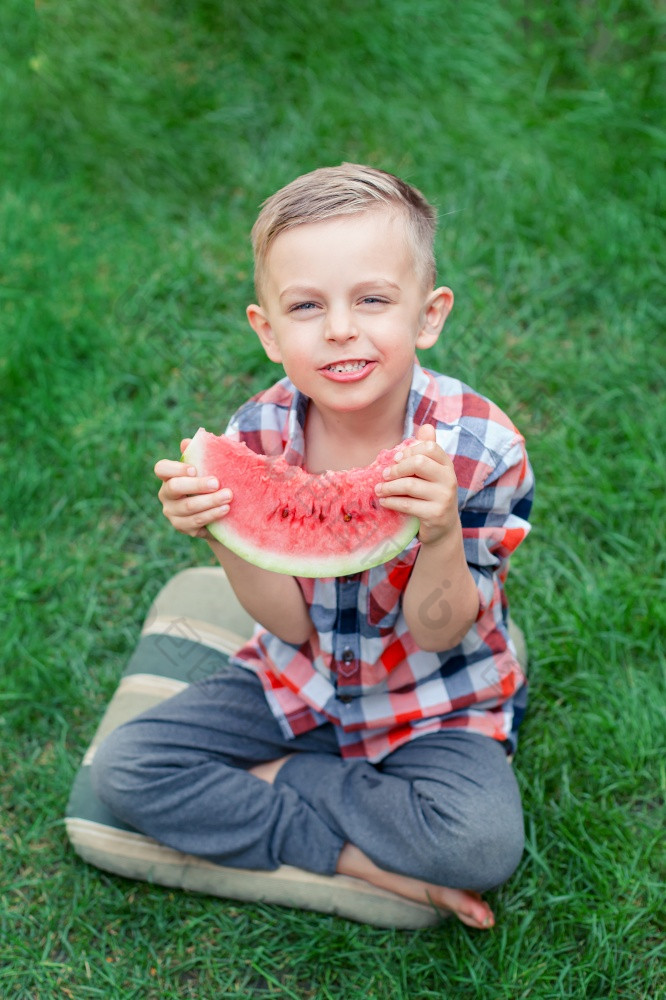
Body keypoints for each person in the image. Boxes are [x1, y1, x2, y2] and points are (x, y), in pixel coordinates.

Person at [91, 164, 534, 930]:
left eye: (371, 300)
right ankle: (357, 857)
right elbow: (289, 626)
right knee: (125, 773)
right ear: (268, 331)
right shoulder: (255, 437)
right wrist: (222, 532)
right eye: (307, 306)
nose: (340, 328)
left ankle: (286, 780)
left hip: (436, 703)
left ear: (427, 317)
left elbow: (440, 631)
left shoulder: (485, 449)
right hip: (297, 680)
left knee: (484, 846)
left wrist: (438, 532)